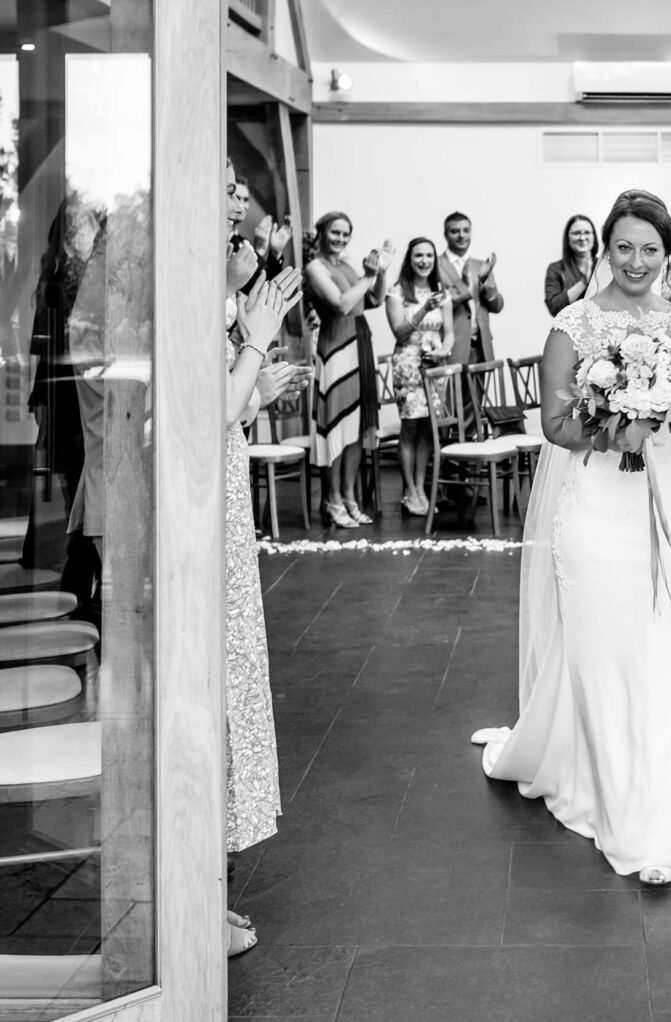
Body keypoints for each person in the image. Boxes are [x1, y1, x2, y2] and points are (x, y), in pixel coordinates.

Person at [474, 189, 671, 886]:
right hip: (593, 509)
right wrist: (620, 424)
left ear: (669, 251)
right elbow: (555, 426)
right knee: (601, 646)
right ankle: (615, 800)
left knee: (660, 643)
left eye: (651, 248)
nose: (637, 261)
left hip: (663, 496)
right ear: (605, 249)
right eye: (624, 247)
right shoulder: (573, 324)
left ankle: (658, 795)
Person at [221, 160, 310, 958]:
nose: (238, 215)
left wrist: (259, 378)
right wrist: (253, 342)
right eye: (227, 197)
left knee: (229, 679)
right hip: (201, 509)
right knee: (209, 689)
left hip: (224, 496)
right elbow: (210, 408)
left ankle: (208, 885)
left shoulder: (220, 291)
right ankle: (196, 897)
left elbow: (232, 405)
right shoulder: (192, 296)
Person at [305, 210, 392, 528]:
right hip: (335, 350)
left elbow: (374, 300)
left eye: (345, 233)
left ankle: (350, 496)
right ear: (322, 233)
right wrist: (369, 277)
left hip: (360, 344)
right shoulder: (315, 267)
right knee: (336, 427)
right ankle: (333, 499)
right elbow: (341, 304)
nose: (340, 239)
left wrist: (380, 273)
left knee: (356, 430)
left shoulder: (350, 264)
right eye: (335, 232)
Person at [385, 238, 454, 516]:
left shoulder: (442, 292)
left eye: (428, 255)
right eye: (418, 255)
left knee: (427, 429)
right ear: (409, 259)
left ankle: (422, 489)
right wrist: (425, 307)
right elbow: (399, 332)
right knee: (410, 428)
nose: (424, 260)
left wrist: (444, 351)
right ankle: (409, 490)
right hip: (408, 363)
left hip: (434, 365)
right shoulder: (396, 291)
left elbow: (448, 331)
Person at [439, 211, 503, 364]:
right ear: (446, 235)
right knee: (451, 389)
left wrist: (486, 281)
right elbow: (436, 306)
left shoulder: (481, 265)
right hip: (450, 347)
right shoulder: (435, 266)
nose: (461, 235)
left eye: (466, 230)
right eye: (455, 231)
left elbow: (497, 307)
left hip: (480, 346)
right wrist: (464, 287)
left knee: (478, 390)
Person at [543, 214, 596, 317]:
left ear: (594, 236)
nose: (582, 237)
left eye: (587, 232)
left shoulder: (605, 266)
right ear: (567, 237)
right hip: (569, 331)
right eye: (576, 233)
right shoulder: (555, 269)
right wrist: (583, 282)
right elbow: (554, 308)